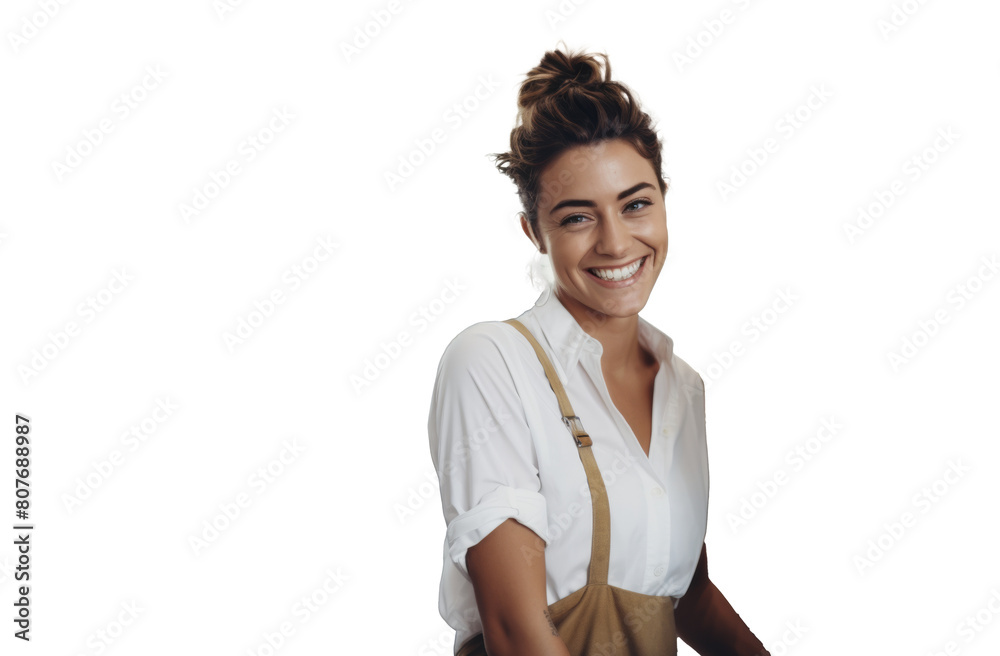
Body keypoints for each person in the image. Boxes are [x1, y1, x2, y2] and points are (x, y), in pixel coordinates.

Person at [427, 45, 770, 656]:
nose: (616, 243)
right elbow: (516, 632)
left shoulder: (681, 388)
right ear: (534, 231)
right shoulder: (493, 364)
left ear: (664, 201)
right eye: (577, 217)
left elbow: (680, 590)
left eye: (636, 204)